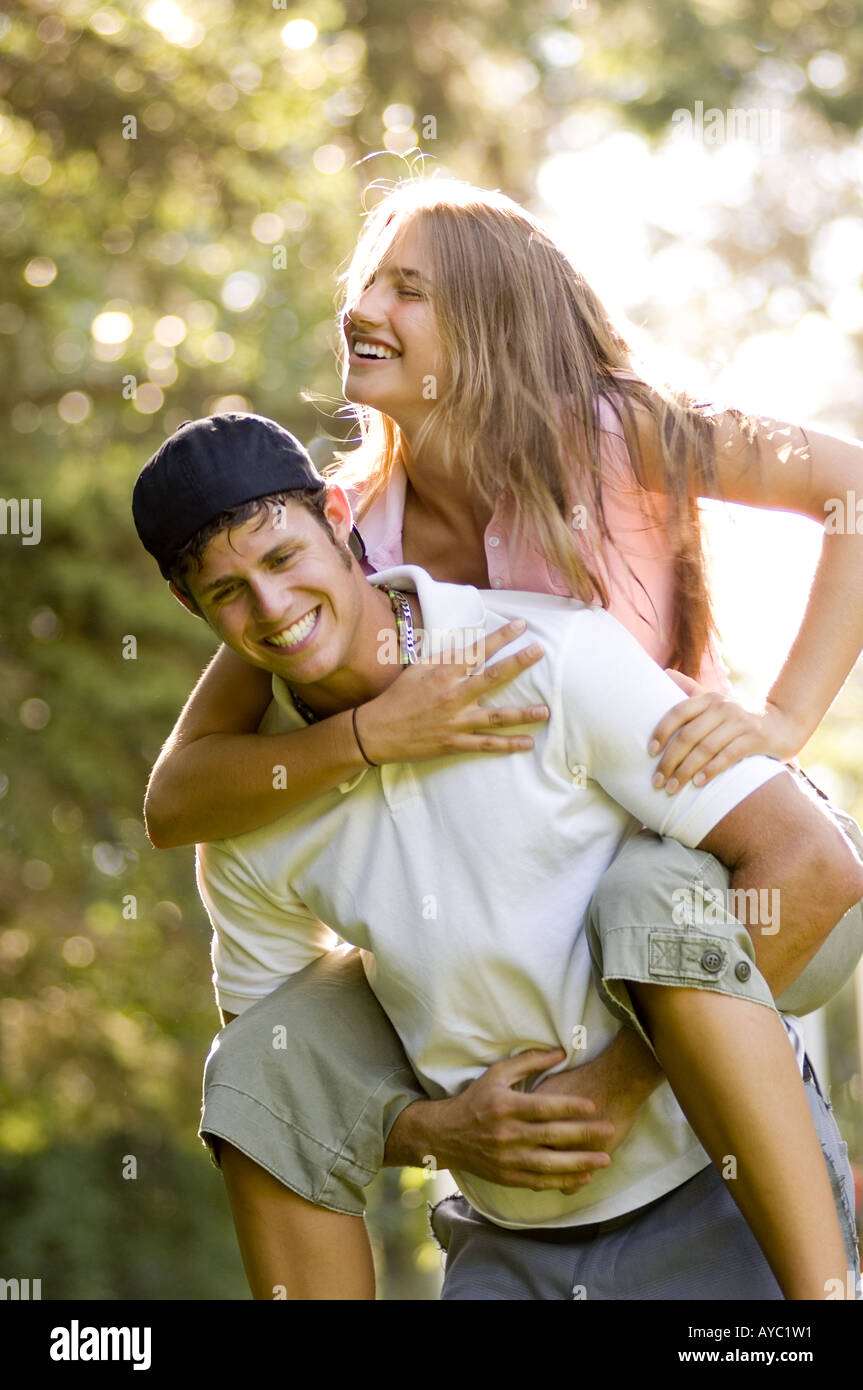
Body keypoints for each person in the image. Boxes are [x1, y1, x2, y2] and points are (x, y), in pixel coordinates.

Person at [139, 177, 863, 1296]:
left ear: (482, 320)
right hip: (521, 906)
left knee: (643, 902)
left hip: (715, 859)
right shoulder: (336, 531)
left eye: (406, 288)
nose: (363, 305)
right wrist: (376, 734)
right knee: (266, 1067)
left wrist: (779, 718)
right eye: (362, 282)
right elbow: (180, 798)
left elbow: (851, 487)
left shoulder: (624, 432)